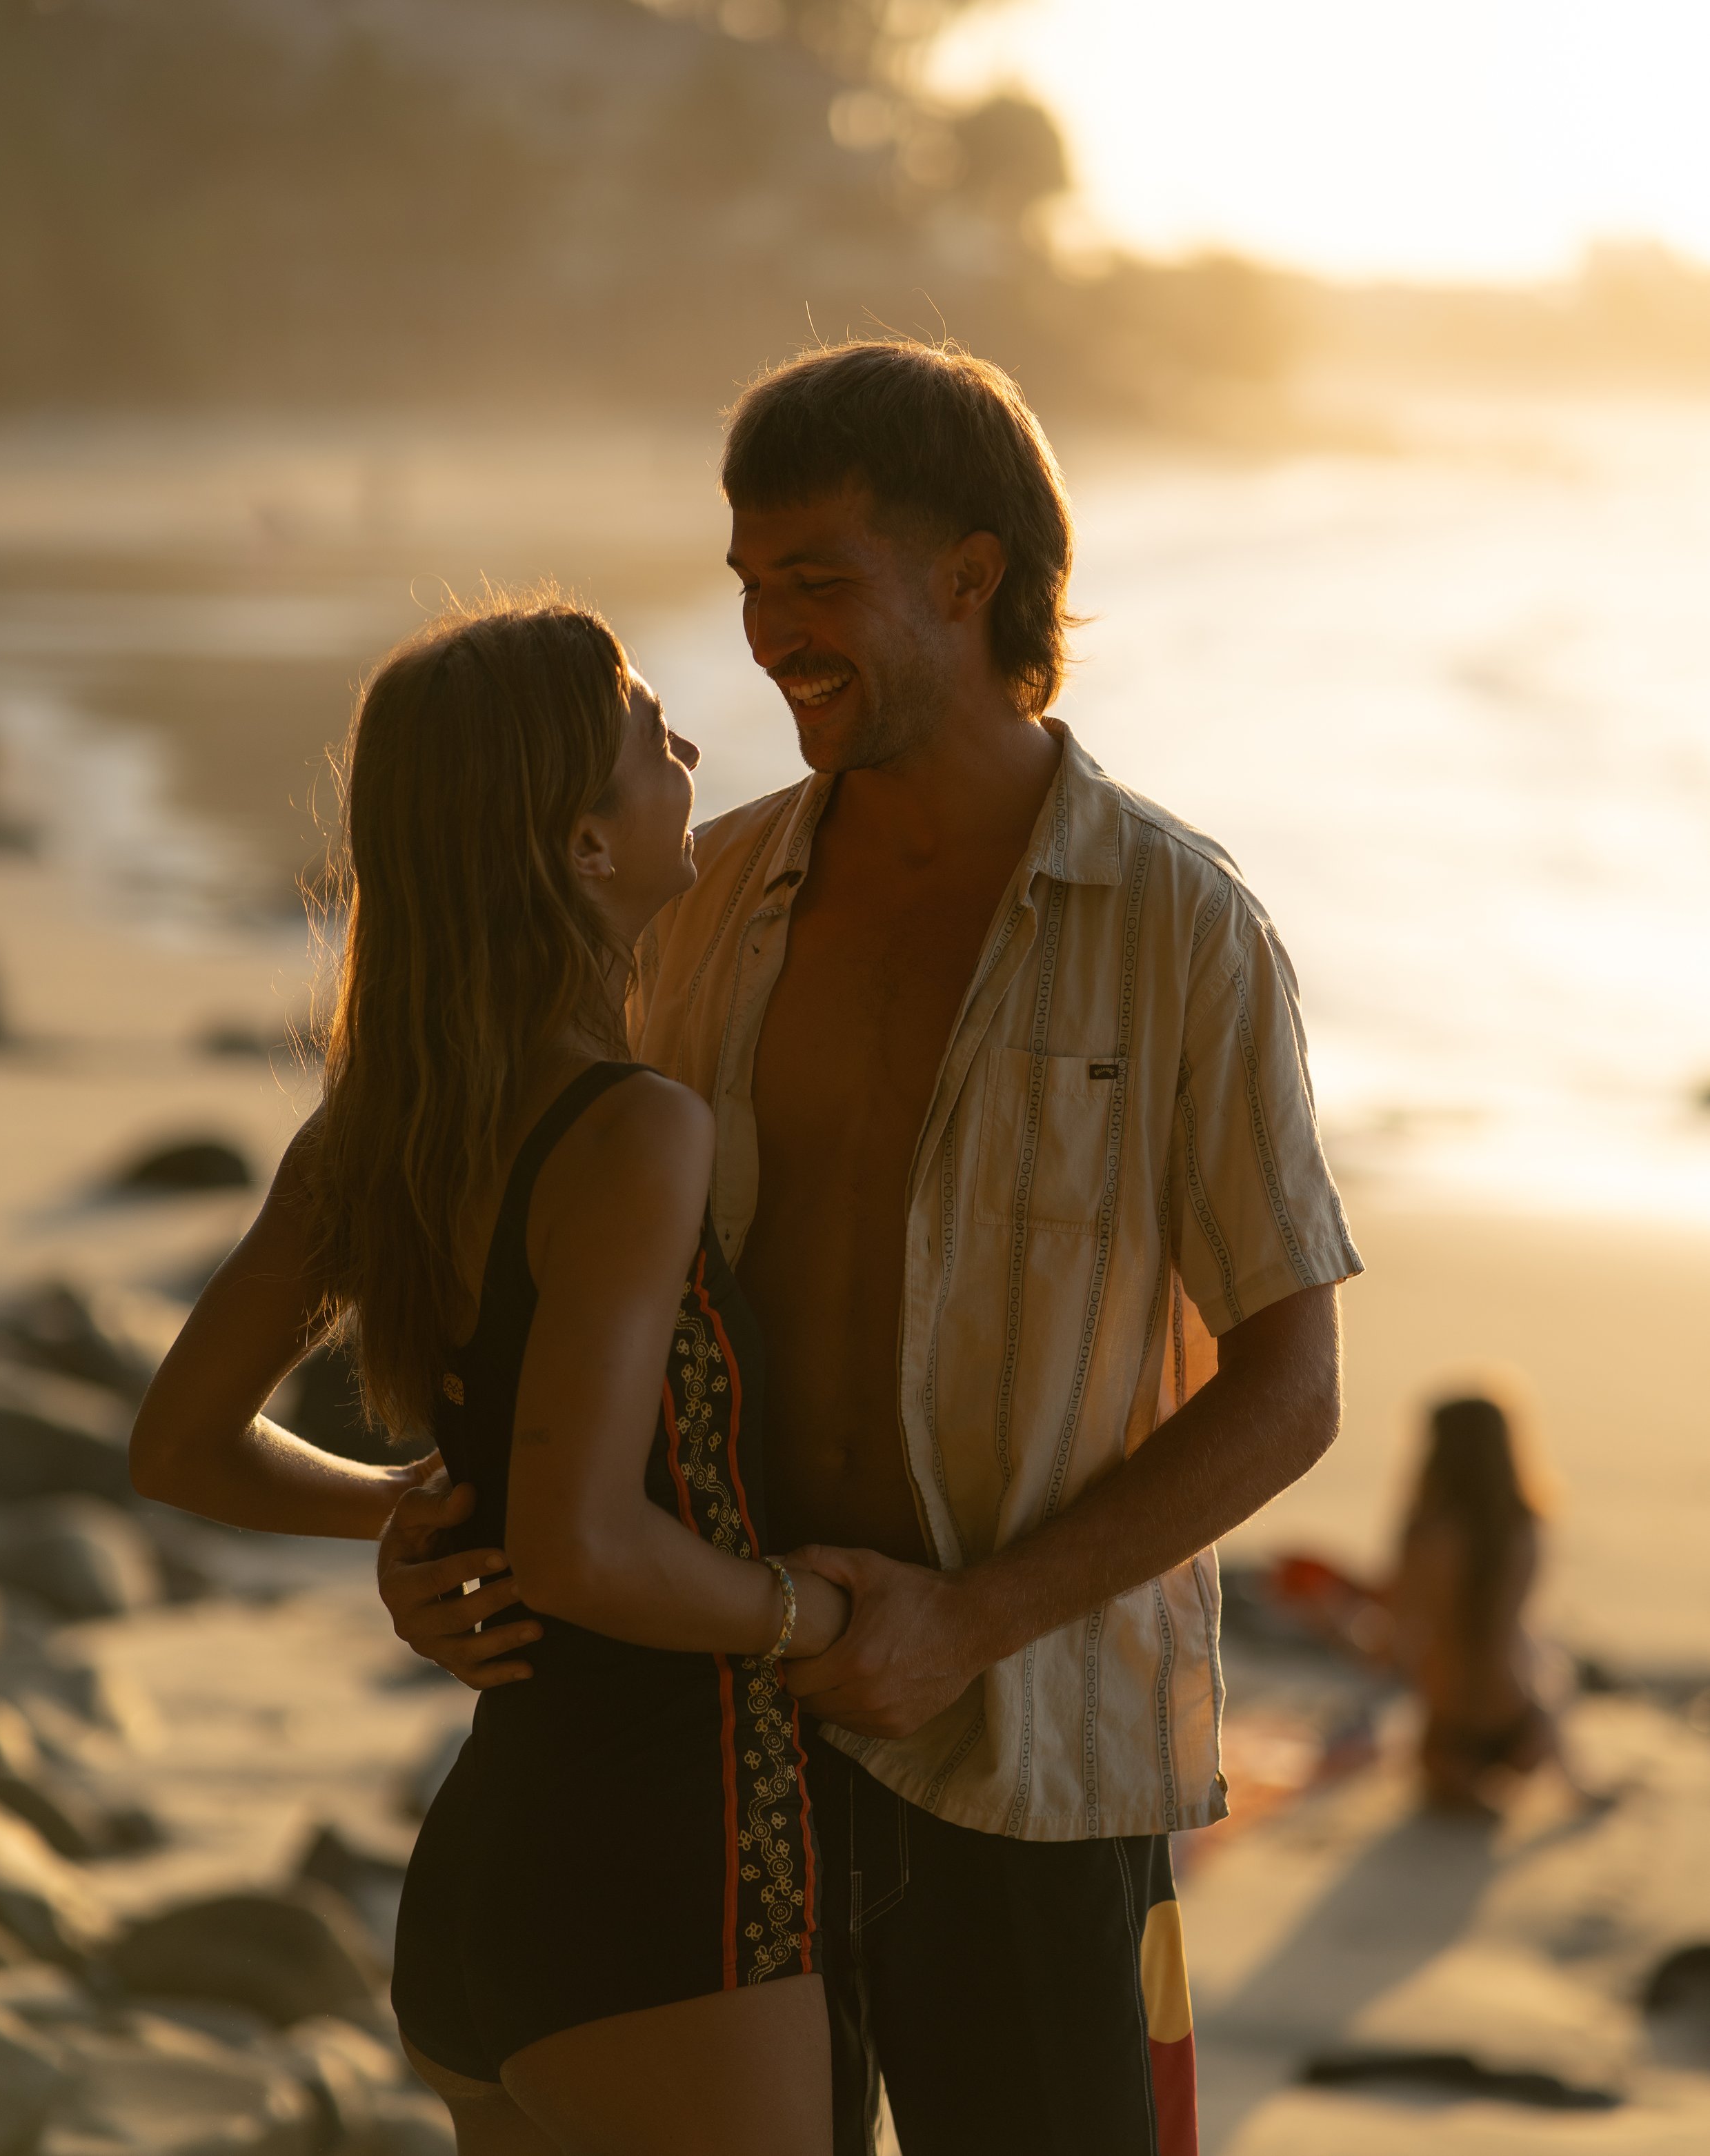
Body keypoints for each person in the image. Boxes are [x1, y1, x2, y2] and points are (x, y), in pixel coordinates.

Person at [379, 342, 1365, 2156]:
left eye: (815, 579)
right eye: (750, 582)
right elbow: (552, 1259)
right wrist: (448, 1523)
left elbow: (1290, 1386)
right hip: (721, 1749)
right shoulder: (697, 903)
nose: (767, 633)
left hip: (1037, 1760)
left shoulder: (1179, 931)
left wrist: (967, 1620)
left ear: (969, 576)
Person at [129, 601, 848, 2156]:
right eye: (649, 732)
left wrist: (415, 1504)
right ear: (581, 846)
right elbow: (580, 1545)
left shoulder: (377, 1127)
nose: (689, 749)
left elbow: (179, 1443)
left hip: (483, 1897)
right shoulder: (632, 1130)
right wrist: (815, 1617)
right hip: (665, 1888)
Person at [1389, 1391, 1559, 1813]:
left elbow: (1403, 1630)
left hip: (1450, 1728)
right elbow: (1516, 1623)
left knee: (1438, 1769)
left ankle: (1461, 1786)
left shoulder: (1425, 1531)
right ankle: (1561, 1767)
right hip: (1520, 1724)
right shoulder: (1525, 1527)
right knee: (1545, 1656)